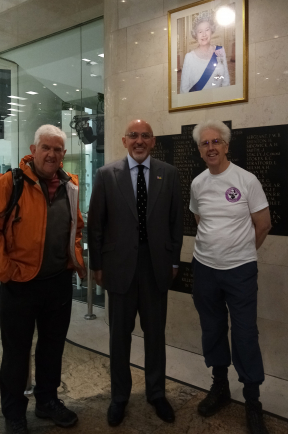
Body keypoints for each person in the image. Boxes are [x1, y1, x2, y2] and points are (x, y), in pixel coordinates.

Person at [0, 124, 86, 434]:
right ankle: (14, 414)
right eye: (46, 148)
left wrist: (74, 259)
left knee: (52, 348)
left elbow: (76, 228)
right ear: (33, 149)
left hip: (58, 283)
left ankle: (47, 402)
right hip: (19, 284)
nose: (51, 154)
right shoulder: (13, 182)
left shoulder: (71, 185)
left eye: (57, 149)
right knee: (16, 353)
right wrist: (6, 270)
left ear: (63, 154)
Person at [87, 119, 183, 427]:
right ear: (124, 140)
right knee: (119, 337)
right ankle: (119, 397)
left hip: (156, 267)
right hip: (118, 269)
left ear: (153, 141)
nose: (139, 141)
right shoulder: (106, 175)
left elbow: (175, 222)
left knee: (155, 335)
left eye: (145, 136)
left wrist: (175, 262)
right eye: (133, 136)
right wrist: (97, 265)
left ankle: (156, 394)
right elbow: (96, 225)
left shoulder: (168, 174)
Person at [189, 120, 272, 434]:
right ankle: (220, 388)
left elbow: (262, 224)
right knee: (211, 330)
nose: (210, 148)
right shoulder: (198, 184)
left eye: (215, 142)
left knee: (245, 334)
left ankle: (253, 402)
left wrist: (239, 252)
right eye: (204, 144)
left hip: (240, 272)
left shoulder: (246, 180)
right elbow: (200, 220)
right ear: (200, 150)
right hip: (205, 270)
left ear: (225, 145)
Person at [180, 11, 230, 93]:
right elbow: (184, 89)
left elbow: (226, 81)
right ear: (195, 35)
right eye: (200, 32)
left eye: (207, 30)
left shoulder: (220, 51)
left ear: (211, 30)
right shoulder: (189, 57)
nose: (204, 35)